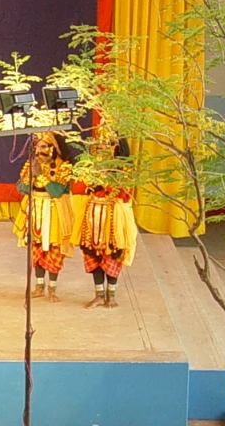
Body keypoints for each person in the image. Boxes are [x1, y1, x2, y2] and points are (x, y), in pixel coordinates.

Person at [69, 126, 137, 309]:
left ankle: (111, 296)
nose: (104, 146)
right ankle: (99, 295)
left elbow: (123, 193)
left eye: (109, 143)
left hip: (113, 215)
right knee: (92, 253)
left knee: (113, 253)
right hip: (92, 214)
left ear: (117, 146)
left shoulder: (123, 168)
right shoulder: (90, 165)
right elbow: (83, 187)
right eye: (101, 142)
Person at [13, 133, 73, 301]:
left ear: (53, 148)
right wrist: (31, 174)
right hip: (34, 209)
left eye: (43, 147)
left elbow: (56, 191)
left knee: (53, 249)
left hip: (54, 211)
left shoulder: (63, 166)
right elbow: (21, 188)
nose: (39, 151)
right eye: (37, 147)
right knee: (36, 247)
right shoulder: (31, 163)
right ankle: (39, 286)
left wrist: (40, 175)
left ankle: (52, 289)